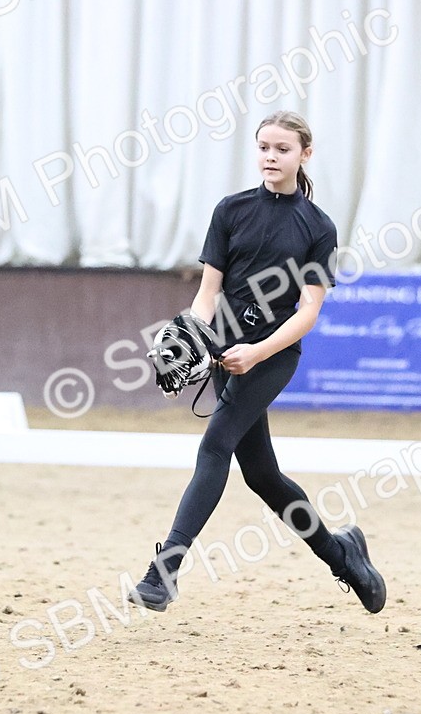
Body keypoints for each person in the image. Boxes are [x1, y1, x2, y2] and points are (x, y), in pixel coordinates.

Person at [128, 110, 386, 615]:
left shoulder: (318, 227)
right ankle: (345, 558)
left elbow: (309, 311)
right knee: (263, 476)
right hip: (226, 348)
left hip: (273, 354)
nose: (271, 156)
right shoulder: (231, 210)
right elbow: (208, 293)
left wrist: (258, 351)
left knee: (215, 445)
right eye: (264, 147)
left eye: (282, 149)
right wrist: (192, 334)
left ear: (304, 155)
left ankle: (165, 571)